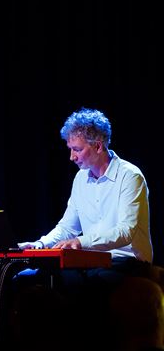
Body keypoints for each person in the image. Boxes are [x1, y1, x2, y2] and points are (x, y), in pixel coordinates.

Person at [18, 107, 153, 287]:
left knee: (80, 286)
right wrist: (40, 245)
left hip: (126, 262)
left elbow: (125, 231)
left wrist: (80, 242)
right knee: (28, 279)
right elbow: (67, 228)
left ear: (97, 146)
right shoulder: (81, 178)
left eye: (77, 150)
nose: (71, 157)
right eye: (70, 149)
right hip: (91, 262)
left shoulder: (130, 176)